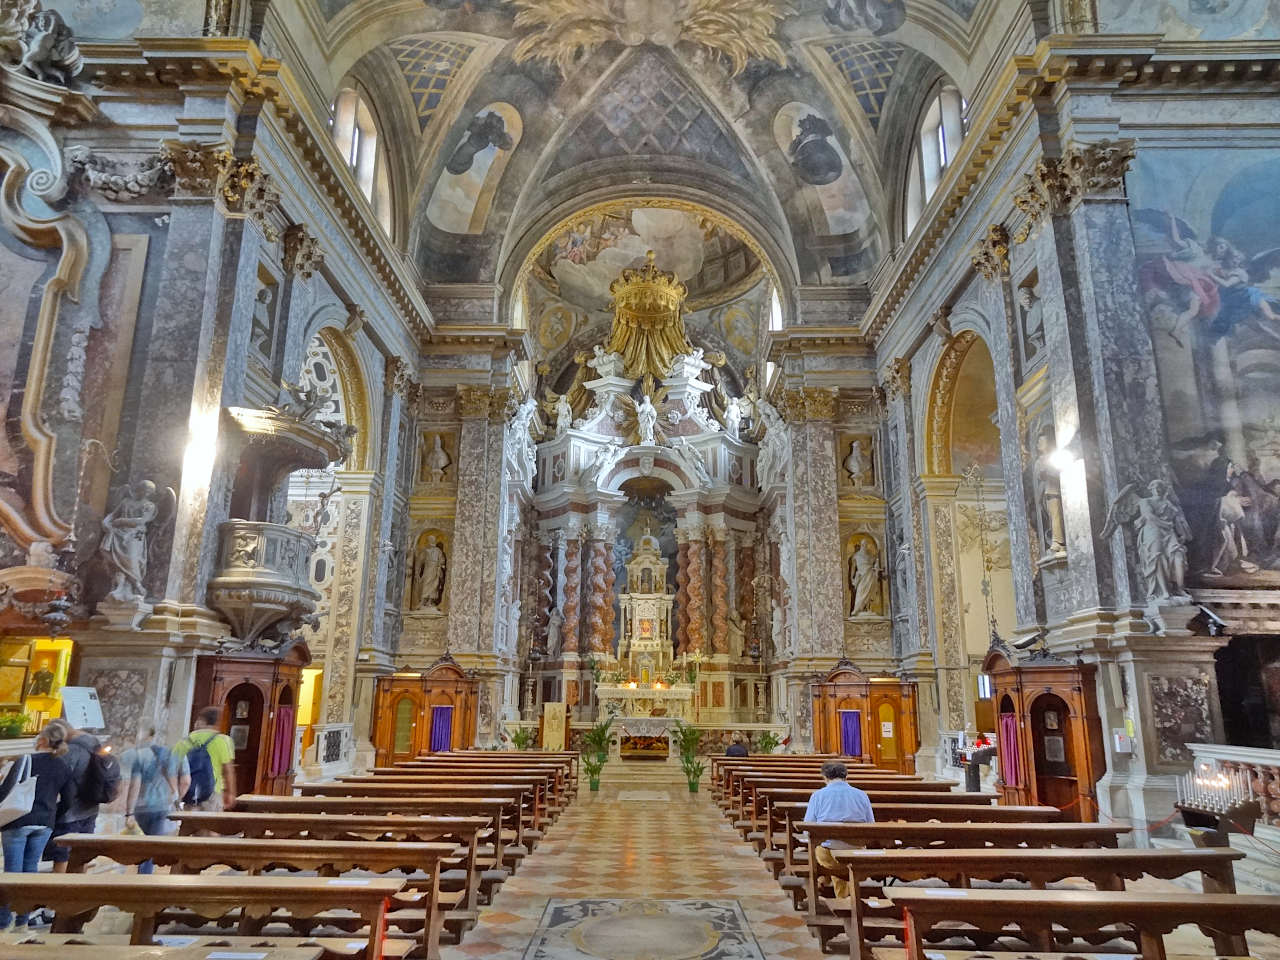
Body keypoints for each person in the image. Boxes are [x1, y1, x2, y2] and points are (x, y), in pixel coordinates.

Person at [0, 721, 72, 929]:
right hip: (44, 823)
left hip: (19, 819)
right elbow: (68, 800)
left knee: (13, 873)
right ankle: (22, 921)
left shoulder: (26, 760)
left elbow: (6, 790)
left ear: (42, 740)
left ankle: (4, 921)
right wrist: (52, 816)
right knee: (30, 871)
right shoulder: (63, 766)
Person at [802, 761, 874, 901]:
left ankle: (838, 895)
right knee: (839, 855)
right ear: (846, 776)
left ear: (824, 777)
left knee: (821, 850)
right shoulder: (861, 795)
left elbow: (807, 829)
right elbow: (871, 825)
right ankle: (841, 894)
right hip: (857, 853)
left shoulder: (818, 796)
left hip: (829, 855)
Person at [122, 726, 190, 874]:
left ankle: (143, 876)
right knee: (154, 846)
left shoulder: (141, 755)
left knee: (145, 845)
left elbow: (135, 785)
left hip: (142, 807)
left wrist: (129, 812)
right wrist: (178, 799)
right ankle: (145, 880)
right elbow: (185, 781)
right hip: (164, 806)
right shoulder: (178, 754)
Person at [46, 721, 103, 873]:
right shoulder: (96, 744)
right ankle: (76, 892)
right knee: (81, 855)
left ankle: (57, 893)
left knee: (61, 855)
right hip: (91, 808)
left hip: (70, 812)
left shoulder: (72, 750)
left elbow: (59, 776)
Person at [171, 707, 236, 812]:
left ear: (202, 720)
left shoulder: (185, 741)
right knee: (210, 826)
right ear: (217, 722)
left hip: (189, 791)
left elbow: (172, 767)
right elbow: (228, 771)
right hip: (213, 792)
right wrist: (230, 793)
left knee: (189, 824)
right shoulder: (223, 740)